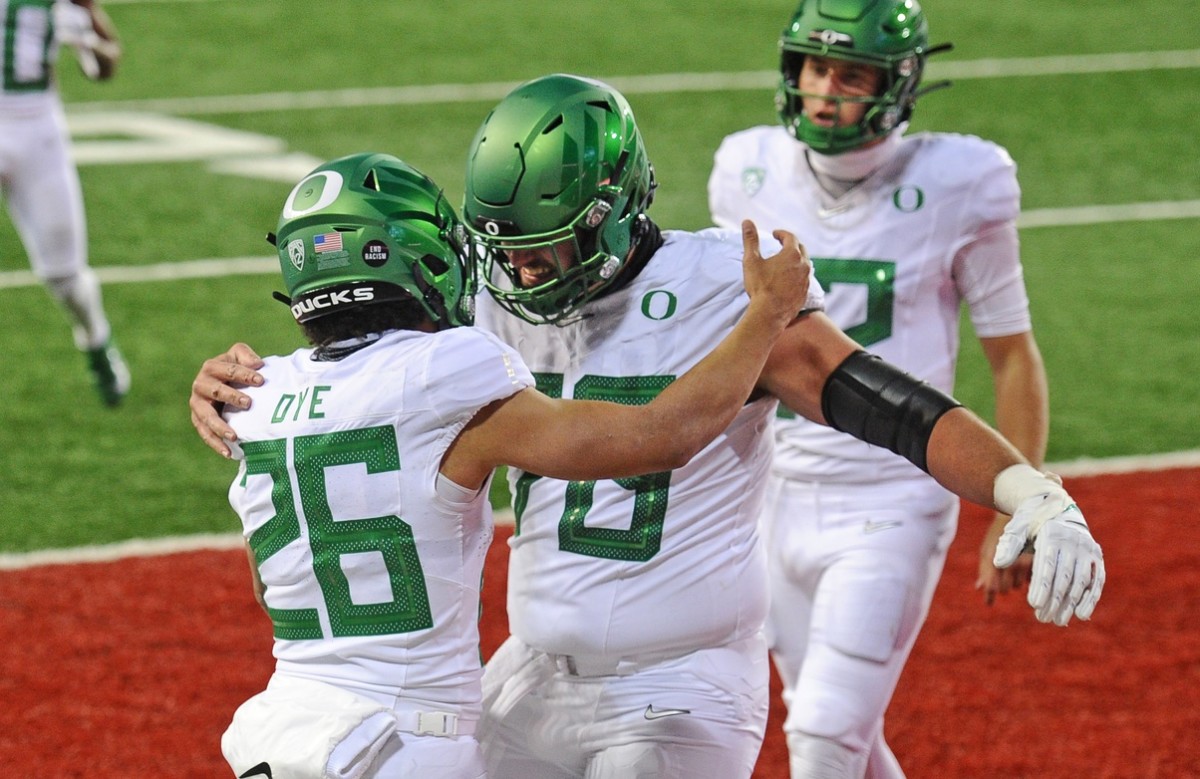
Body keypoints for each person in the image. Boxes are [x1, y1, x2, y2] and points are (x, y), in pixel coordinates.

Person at [190, 75, 1104, 779]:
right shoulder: (489, 303)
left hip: (678, 679)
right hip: (531, 674)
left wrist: (1027, 486)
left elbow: (875, 400)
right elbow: (362, 376)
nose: (526, 272)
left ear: (618, 208)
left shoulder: (721, 286)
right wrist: (231, 383)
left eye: (547, 246)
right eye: (505, 248)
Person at [212, 151, 811, 779]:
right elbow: (662, 435)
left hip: (280, 734)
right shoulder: (445, 369)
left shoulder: (257, 395)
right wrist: (766, 316)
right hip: (404, 741)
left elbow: (268, 584)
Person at [706, 1, 1050, 776]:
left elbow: (1012, 354)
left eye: (851, 73)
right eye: (815, 67)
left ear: (897, 84)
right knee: (847, 743)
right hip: (772, 495)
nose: (826, 89)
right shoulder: (745, 169)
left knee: (825, 735)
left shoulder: (963, 181)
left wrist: (1013, 497)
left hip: (893, 494)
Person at [0, 0, 128, 405]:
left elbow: (108, 64)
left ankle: (95, 337)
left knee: (64, 275)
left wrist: (85, 36)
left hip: (37, 132)